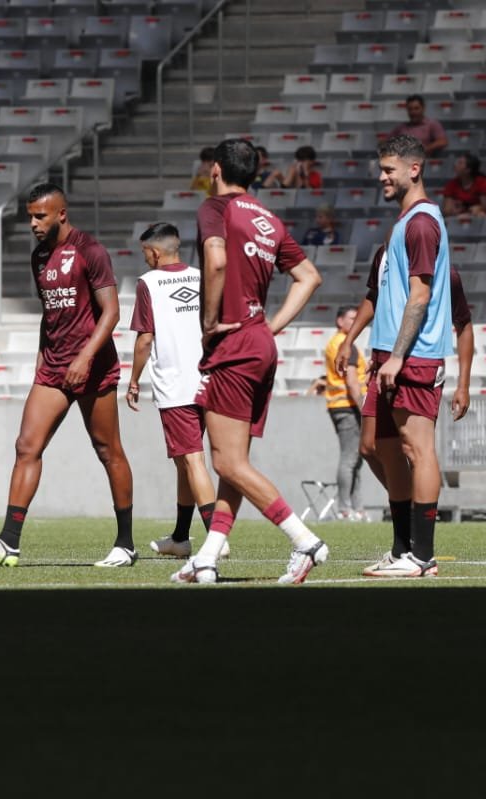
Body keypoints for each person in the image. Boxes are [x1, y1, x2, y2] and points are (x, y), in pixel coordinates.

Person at [173, 138, 326, 585]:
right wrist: (272, 326)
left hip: (233, 345)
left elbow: (216, 262)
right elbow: (309, 276)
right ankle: (207, 557)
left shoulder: (214, 208)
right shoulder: (268, 218)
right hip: (260, 343)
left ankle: (306, 542)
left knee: (228, 463)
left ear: (216, 169)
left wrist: (208, 320)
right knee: (232, 463)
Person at [0, 183, 136, 568]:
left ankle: (125, 544)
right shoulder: (40, 255)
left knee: (108, 451)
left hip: (93, 367)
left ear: (61, 213)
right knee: (26, 446)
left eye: (40, 216)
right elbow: (51, 314)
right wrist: (43, 358)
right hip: (54, 367)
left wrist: (84, 357)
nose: (33, 223)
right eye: (29, 216)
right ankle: (9, 542)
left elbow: (111, 312)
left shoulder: (90, 251)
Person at [336, 251, 474, 574]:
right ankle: (405, 541)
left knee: (417, 448)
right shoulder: (382, 258)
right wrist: (351, 339)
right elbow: (373, 296)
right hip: (383, 364)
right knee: (373, 447)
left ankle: (419, 550)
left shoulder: (443, 271)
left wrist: (464, 384)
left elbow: (464, 325)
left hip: (418, 363)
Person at [355, 135, 454, 578]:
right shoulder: (406, 221)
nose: (382, 177)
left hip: (413, 356)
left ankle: (422, 556)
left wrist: (397, 355)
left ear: (414, 169)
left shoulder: (422, 223)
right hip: (389, 356)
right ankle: (401, 550)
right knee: (382, 448)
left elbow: (420, 296)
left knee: (419, 448)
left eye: (389, 169)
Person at [124, 222, 225, 559]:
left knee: (193, 459)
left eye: (145, 253)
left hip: (175, 384)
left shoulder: (148, 283)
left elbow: (145, 339)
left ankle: (216, 538)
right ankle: (180, 538)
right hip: (210, 380)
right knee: (185, 462)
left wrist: (134, 379)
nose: (146, 259)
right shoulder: (201, 276)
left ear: (153, 252)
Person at [324, 305, 369, 520]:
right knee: (350, 459)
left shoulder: (335, 342)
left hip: (339, 406)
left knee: (355, 459)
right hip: (348, 406)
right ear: (340, 321)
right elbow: (352, 382)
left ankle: (356, 508)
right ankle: (345, 509)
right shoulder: (345, 344)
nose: (355, 322)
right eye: (351, 318)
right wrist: (364, 410)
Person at [441, 152, 486, 217]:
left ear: (468, 169)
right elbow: (447, 210)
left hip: (476, 218)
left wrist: (476, 209)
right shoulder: (451, 184)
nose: (455, 165)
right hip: (458, 219)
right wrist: (453, 210)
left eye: (460, 163)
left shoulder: (483, 183)